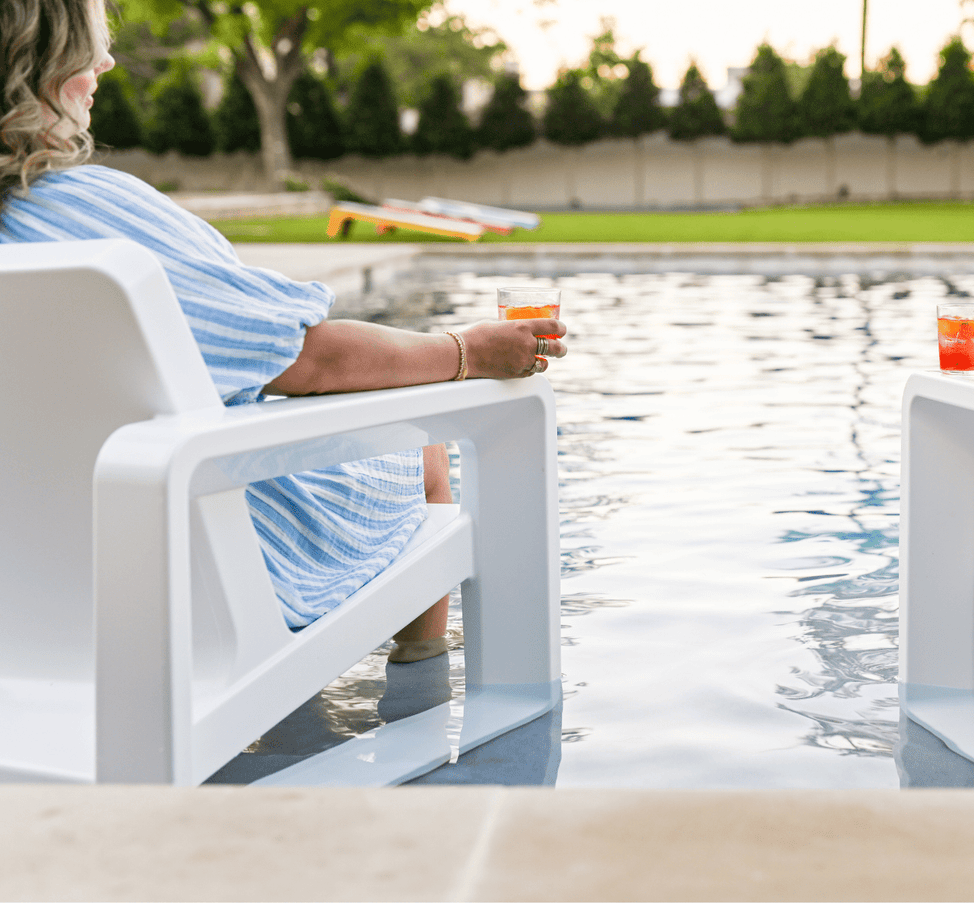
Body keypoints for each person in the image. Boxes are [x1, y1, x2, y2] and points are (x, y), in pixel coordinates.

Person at [0, 0, 567, 662]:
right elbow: (311, 360)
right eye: (90, 48)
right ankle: (422, 705)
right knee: (427, 451)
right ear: (41, 71)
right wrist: (466, 352)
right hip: (178, 568)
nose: (107, 63)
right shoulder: (89, 217)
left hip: (27, 573)